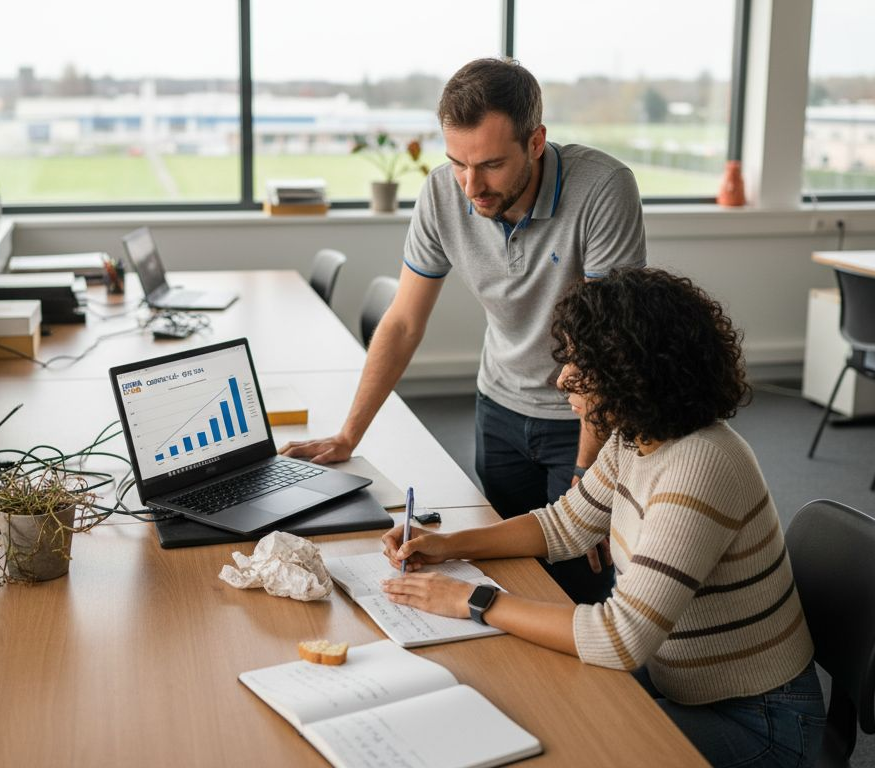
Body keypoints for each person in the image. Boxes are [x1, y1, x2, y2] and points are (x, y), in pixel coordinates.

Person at [379, 268, 825, 768]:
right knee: (535, 698)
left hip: (762, 720)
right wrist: (448, 544)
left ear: (633, 369)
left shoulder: (702, 465)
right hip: (678, 680)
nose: (561, 377)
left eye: (579, 361)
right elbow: (562, 526)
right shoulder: (636, 436)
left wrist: (473, 599)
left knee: (573, 748)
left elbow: (620, 637)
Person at [281, 58, 646, 603]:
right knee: (508, 573)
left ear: (537, 141)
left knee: (577, 585)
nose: (472, 186)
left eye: (492, 165)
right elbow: (403, 322)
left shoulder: (603, 190)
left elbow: (605, 347)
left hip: (581, 419)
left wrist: (588, 469)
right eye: (458, 163)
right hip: (498, 408)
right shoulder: (442, 194)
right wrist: (348, 434)